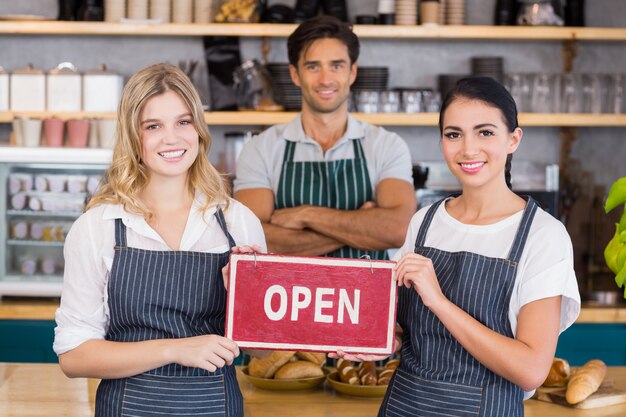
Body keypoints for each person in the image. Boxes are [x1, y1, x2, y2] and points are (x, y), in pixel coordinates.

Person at [335, 77, 581, 416]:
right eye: (454, 134)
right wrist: (379, 342)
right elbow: (410, 333)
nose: (468, 149)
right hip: (404, 406)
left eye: (485, 132)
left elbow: (531, 369)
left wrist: (439, 302)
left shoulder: (543, 235)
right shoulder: (425, 221)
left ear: (513, 139)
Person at [53, 63, 266, 417]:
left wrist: (248, 300)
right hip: (127, 409)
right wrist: (175, 349)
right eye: (154, 126)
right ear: (134, 139)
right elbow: (74, 356)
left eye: (183, 122)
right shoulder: (98, 227)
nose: (173, 138)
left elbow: (264, 352)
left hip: (216, 408)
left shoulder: (236, 221)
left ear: (198, 128)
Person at [233, 15, 416, 260]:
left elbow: (398, 229)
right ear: (295, 74)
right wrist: (360, 229)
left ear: (352, 72)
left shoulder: (386, 145)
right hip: (289, 295)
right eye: (313, 66)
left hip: (368, 297)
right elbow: (251, 238)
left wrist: (306, 215)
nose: (325, 79)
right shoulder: (260, 149)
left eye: (336, 65)